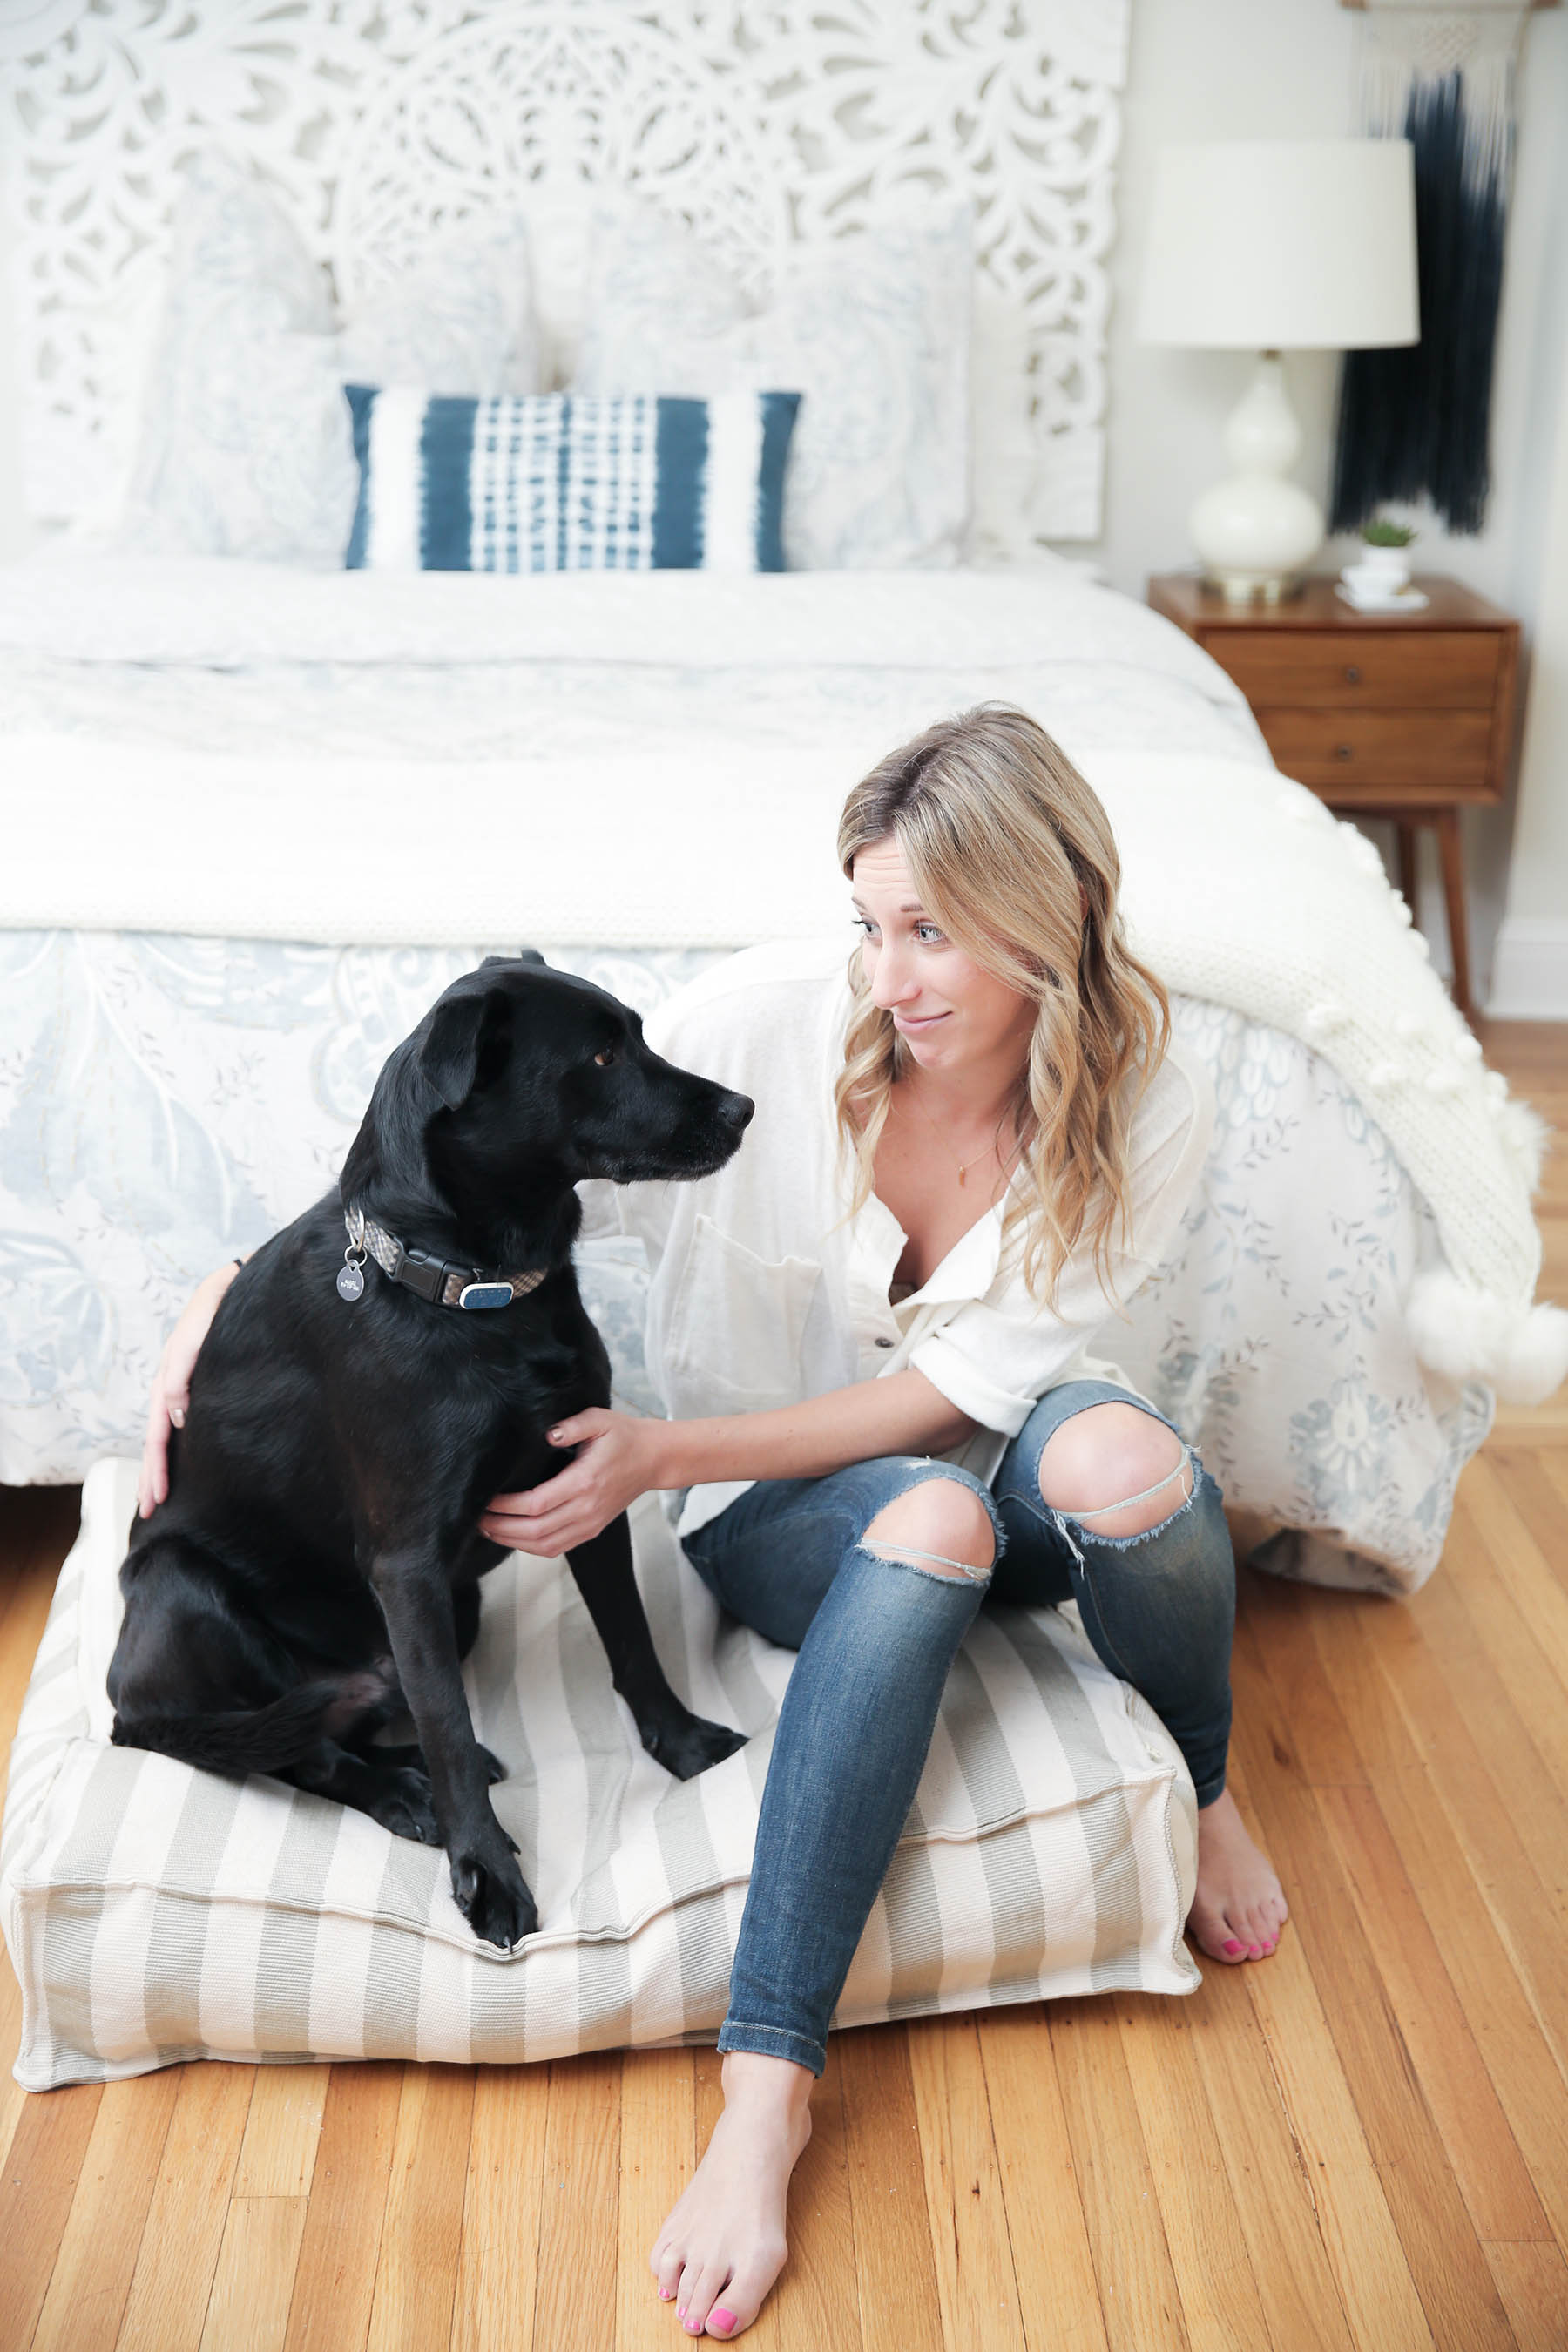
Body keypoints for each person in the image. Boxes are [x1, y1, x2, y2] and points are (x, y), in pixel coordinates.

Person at [139, 706, 1288, 2343]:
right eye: (871, 923)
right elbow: (441, 1139)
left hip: (934, 1442)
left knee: (1132, 1473)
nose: (889, 976)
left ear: (1051, 918)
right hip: (774, 1523)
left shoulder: (1147, 1093)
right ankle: (768, 2091)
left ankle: (1208, 1781)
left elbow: (959, 1392)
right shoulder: (761, 1021)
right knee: (932, 1535)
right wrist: (222, 1294)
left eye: (936, 929)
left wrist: (657, 1450)